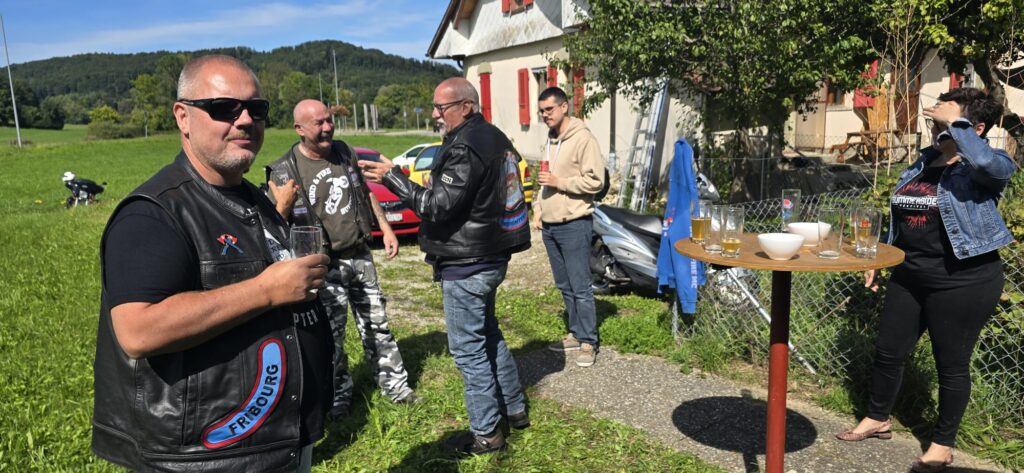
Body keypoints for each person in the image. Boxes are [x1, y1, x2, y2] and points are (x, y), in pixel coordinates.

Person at [92, 55, 332, 472]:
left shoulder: (255, 199)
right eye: (224, 108)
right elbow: (138, 330)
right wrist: (266, 290)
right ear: (183, 117)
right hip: (209, 457)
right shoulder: (154, 213)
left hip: (278, 440)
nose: (245, 120)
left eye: (256, 108)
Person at [836, 88, 1013, 473]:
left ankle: (942, 444)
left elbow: (985, 163)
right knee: (889, 351)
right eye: (937, 121)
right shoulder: (921, 163)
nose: (937, 127)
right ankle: (877, 418)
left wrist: (956, 123)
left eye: (947, 121)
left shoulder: (990, 164)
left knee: (951, 364)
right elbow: (900, 219)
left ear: (976, 128)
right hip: (909, 273)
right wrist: (880, 257)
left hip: (964, 280)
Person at [358, 77, 532, 456]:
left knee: (468, 350)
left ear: (466, 106)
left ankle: (487, 434)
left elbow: (435, 205)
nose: (435, 114)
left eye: (441, 107)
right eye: (434, 107)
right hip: (491, 255)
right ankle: (515, 409)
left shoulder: (466, 145)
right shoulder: (493, 136)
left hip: (467, 263)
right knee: (489, 334)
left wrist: (392, 177)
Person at [265, 99, 420, 416]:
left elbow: (364, 192)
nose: (327, 128)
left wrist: (386, 229)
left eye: (329, 120)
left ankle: (396, 387)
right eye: (318, 123)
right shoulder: (283, 171)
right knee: (331, 338)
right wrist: (282, 206)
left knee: (377, 326)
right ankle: (338, 396)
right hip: (323, 266)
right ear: (299, 129)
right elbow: (273, 229)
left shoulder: (344, 152)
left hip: (360, 255)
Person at [530, 86, 606, 367]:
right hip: (550, 225)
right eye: (541, 111)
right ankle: (576, 333)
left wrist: (559, 183)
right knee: (564, 284)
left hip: (574, 223)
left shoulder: (583, 139)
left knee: (580, 284)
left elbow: (595, 181)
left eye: (549, 109)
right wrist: (538, 208)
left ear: (564, 107)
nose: (545, 115)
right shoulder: (550, 139)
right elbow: (543, 180)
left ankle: (589, 341)